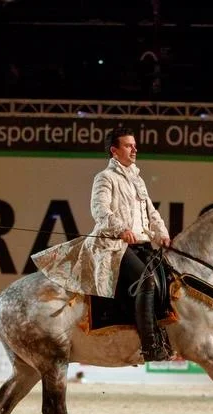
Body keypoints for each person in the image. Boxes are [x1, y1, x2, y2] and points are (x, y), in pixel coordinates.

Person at [32, 127, 172, 361]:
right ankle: (149, 345)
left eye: (134, 145)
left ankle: (161, 334)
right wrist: (121, 230)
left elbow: (151, 212)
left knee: (167, 278)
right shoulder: (105, 178)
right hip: (113, 245)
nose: (134, 149)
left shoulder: (138, 179)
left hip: (142, 245)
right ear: (114, 151)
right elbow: (100, 211)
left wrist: (162, 234)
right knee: (145, 281)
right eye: (128, 145)